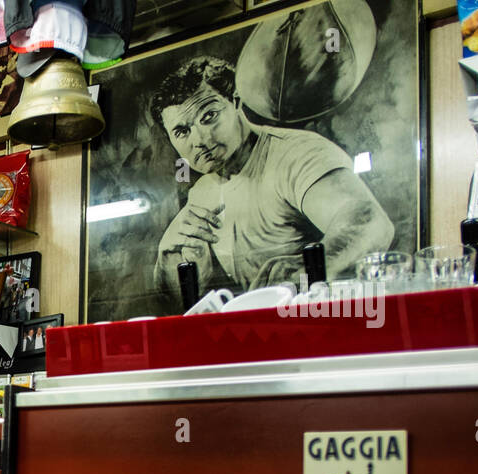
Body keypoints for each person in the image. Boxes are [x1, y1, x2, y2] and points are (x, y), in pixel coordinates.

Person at [151, 55, 393, 295]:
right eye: (182, 132)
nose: (200, 140)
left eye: (209, 117)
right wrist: (168, 259)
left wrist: (306, 275)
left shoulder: (294, 153)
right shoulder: (201, 194)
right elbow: (181, 302)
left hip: (327, 322)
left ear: (236, 101)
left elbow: (368, 221)